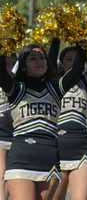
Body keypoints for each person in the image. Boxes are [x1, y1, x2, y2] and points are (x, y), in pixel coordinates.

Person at [0, 44, 87, 200]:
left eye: (42, 58)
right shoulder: (16, 89)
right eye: (32, 58)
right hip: (21, 159)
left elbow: (76, 70)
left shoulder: (56, 88)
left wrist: (84, 39)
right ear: (24, 66)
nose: (39, 61)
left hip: (49, 160)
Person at [52, 42, 87, 200]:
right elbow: (51, 58)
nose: (73, 63)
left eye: (76, 59)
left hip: (82, 148)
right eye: (68, 59)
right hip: (57, 147)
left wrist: (86, 36)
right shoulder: (54, 84)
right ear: (61, 63)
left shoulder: (86, 82)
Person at [0, 54, 16, 200]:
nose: (10, 68)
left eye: (13, 63)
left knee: (10, 174)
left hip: (15, 135)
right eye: (6, 64)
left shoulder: (18, 82)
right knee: (1, 173)